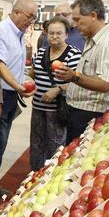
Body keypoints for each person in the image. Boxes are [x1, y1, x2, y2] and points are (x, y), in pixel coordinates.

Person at [0, 0, 37, 208]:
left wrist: (23, 83)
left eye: (34, 17)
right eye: (30, 16)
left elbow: (14, 65)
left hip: (12, 94)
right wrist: (17, 85)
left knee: (0, 143)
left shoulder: (18, 33)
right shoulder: (2, 31)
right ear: (17, 12)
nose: (31, 21)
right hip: (1, 94)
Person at [55, 0, 109, 143]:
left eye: (77, 19)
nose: (74, 25)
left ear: (93, 15)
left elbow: (104, 84)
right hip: (78, 112)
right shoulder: (91, 40)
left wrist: (74, 76)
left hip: (89, 114)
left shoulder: (107, 45)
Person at [29, 16, 81, 171]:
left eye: (59, 33)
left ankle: (51, 175)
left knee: (56, 145)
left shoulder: (74, 54)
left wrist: (58, 89)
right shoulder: (41, 53)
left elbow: (77, 82)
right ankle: (35, 174)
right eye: (51, 33)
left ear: (66, 35)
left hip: (58, 110)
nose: (54, 36)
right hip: (38, 107)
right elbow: (32, 74)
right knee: (36, 144)